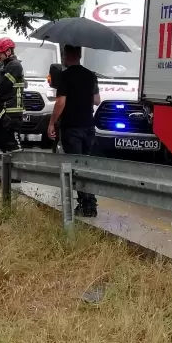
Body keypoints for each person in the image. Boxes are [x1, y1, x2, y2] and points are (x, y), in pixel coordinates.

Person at [47, 45, 101, 216]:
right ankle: (91, 205)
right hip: (89, 126)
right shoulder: (90, 75)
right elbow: (97, 100)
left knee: (75, 167)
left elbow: (61, 102)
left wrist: (51, 123)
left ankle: (84, 205)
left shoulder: (65, 76)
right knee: (86, 165)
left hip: (72, 128)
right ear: (79, 55)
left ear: (66, 55)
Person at [0, 38, 24, 154]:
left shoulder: (15, 66)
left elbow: (3, 86)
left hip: (13, 111)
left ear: (8, 52)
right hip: (6, 110)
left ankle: (16, 171)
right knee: (4, 144)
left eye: (1, 54)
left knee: (13, 147)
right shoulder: (6, 66)